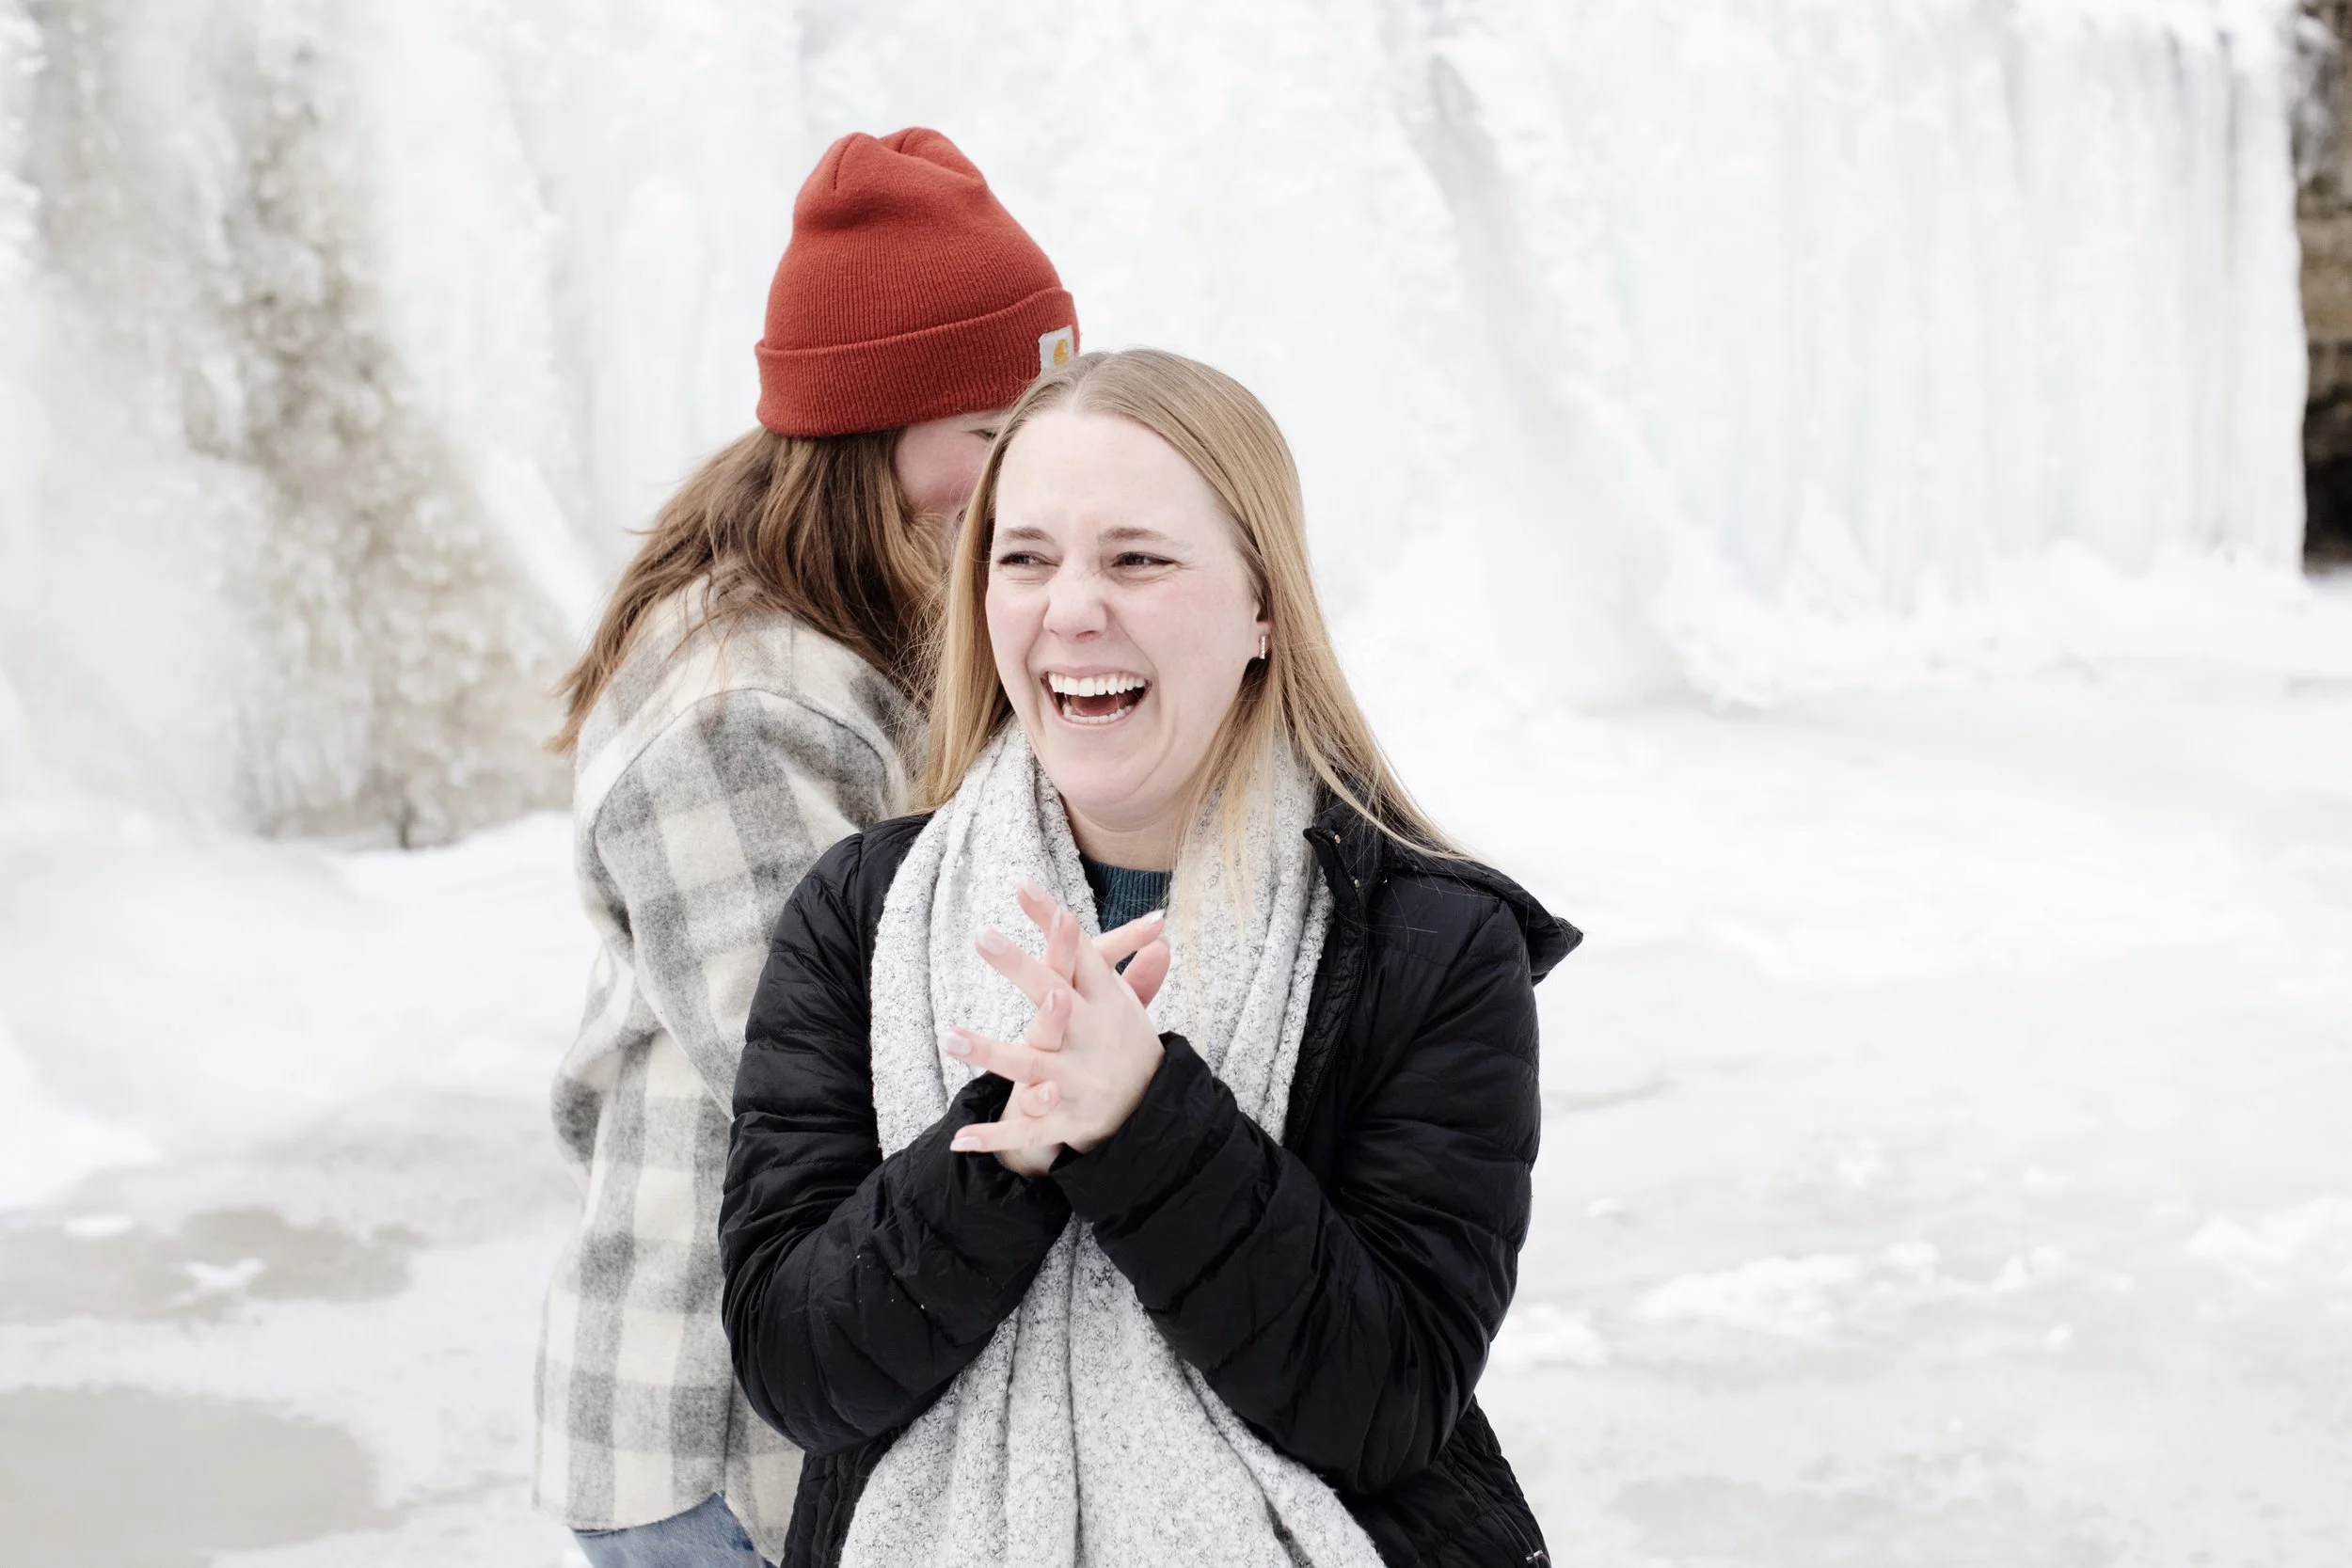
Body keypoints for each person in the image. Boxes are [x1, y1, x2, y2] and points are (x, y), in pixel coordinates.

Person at [720, 348, 1580, 1567]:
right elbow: (793, 1370)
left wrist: (1148, 1122)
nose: (1072, 607)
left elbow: (1382, 1401)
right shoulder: (860, 912)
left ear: (1263, 605)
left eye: (1138, 558)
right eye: (1025, 558)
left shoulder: (1431, 944)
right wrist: (998, 1153)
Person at [535, 128, 1078, 1568]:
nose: (1029, 476)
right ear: (872, 425)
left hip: (840, 1389)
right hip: (718, 1435)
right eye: (991, 434)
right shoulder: (742, 713)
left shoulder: (865, 617)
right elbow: (830, 1079)